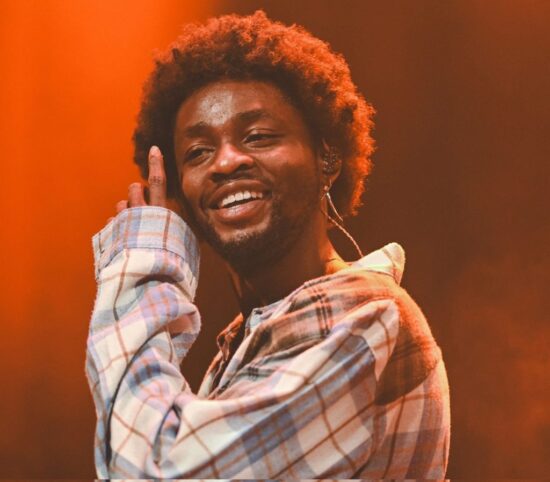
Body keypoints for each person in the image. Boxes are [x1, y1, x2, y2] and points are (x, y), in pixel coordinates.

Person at [85, 11, 450, 479]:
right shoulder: (248, 340)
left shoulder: (363, 318)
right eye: (197, 153)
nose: (225, 162)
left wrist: (141, 273)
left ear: (327, 158)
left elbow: (155, 470)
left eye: (257, 136)